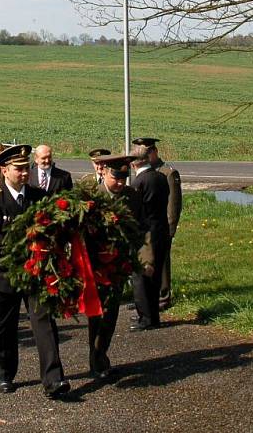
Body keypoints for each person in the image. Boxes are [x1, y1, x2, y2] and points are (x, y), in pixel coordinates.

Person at [0, 144, 70, 399]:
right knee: (5, 327)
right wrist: (29, 246)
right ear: (5, 170)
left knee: (44, 323)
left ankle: (54, 379)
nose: (23, 173)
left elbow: (52, 227)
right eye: (18, 169)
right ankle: (6, 374)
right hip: (4, 274)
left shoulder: (38, 196)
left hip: (36, 274)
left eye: (25, 168)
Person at [89, 155, 154, 377]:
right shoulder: (91, 197)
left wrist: (145, 259)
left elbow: (142, 228)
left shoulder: (131, 197)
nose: (120, 182)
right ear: (104, 172)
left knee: (110, 314)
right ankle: (97, 359)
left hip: (118, 265)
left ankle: (99, 355)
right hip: (93, 265)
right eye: (116, 177)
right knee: (97, 313)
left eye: (125, 177)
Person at [133, 137, 183, 311]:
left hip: (161, 227)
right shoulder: (144, 172)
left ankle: (163, 296)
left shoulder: (167, 172)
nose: (145, 158)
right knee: (145, 261)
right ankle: (145, 298)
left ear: (154, 152)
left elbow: (173, 204)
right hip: (146, 228)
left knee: (161, 264)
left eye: (147, 153)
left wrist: (170, 229)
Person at [129, 142, 170, 331]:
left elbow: (136, 210)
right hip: (160, 230)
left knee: (140, 277)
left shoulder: (139, 182)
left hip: (144, 234)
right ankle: (154, 316)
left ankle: (145, 317)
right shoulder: (162, 177)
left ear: (133, 163)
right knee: (155, 277)